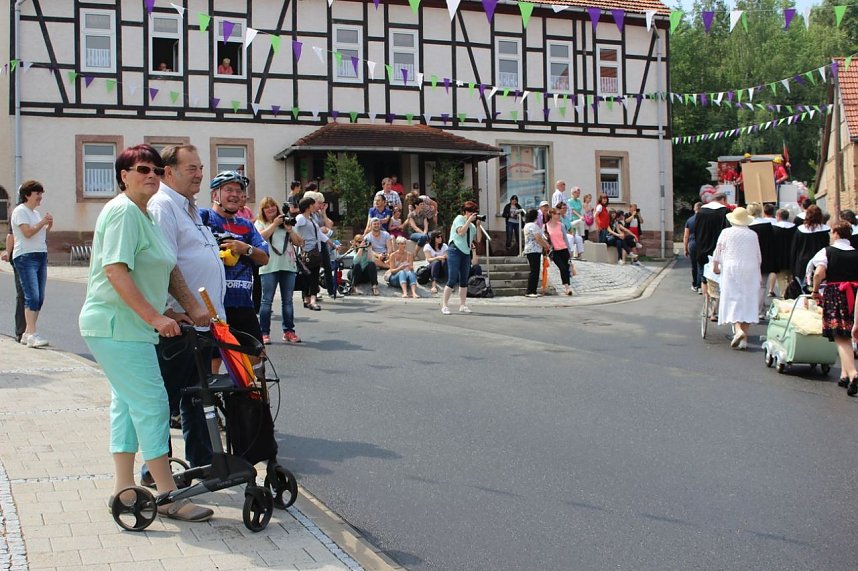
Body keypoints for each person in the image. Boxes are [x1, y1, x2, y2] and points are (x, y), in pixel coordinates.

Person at [79, 144, 213, 522]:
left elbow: (150, 271)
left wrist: (172, 311)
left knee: (126, 404)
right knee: (153, 403)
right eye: (142, 169)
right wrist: (155, 317)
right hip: (116, 325)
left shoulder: (145, 215)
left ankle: (124, 489)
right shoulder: (123, 212)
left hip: (130, 326)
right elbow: (115, 271)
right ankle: (168, 495)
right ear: (123, 175)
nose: (151, 175)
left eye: (156, 169)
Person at [147, 144, 224, 474]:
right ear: (169, 172)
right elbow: (160, 263)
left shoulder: (190, 208)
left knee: (197, 397)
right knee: (166, 398)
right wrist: (170, 309)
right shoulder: (164, 206)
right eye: (191, 168)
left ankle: (202, 463)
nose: (199, 174)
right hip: (179, 325)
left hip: (202, 323)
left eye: (200, 167)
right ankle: (156, 471)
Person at [201, 172, 269, 349]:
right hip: (213, 304)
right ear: (215, 194)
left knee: (256, 358)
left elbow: (264, 258)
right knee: (213, 361)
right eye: (228, 189)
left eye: (239, 191)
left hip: (242, 302)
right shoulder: (203, 218)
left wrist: (245, 248)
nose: (235, 194)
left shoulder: (246, 225)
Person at [808, 222, 858, 393]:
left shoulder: (827, 251)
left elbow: (818, 273)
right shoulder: (856, 253)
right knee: (847, 334)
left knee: (840, 336)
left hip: (836, 294)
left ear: (836, 233)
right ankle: (844, 375)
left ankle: (853, 373)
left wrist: (815, 290)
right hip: (855, 294)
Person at [712, 207, 762, 350]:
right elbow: (758, 256)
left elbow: (718, 250)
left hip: (731, 268)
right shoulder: (752, 235)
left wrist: (716, 266)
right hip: (750, 269)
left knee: (733, 299)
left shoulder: (726, 233)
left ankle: (738, 330)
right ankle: (744, 338)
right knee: (747, 300)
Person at [10, 180, 52, 348]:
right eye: (37, 194)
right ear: (27, 195)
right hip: (25, 256)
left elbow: (40, 233)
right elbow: (27, 233)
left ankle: (28, 333)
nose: (40, 197)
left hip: (40, 254)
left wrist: (48, 225)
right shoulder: (20, 211)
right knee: (31, 296)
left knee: (39, 297)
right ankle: (32, 333)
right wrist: (42, 222)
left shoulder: (35, 213)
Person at [255, 197, 302, 344]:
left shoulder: (285, 222)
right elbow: (259, 238)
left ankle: (289, 331)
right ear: (263, 210)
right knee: (266, 300)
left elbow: (299, 242)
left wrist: (289, 230)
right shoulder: (260, 223)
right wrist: (274, 225)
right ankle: (264, 333)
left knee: (287, 301)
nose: (270, 209)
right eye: (267, 207)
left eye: (273, 206)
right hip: (269, 266)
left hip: (287, 265)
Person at [441, 201, 482, 314]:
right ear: (464, 212)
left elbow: (478, 239)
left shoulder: (472, 225)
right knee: (452, 277)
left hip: (466, 252)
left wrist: (478, 225)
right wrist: (468, 220)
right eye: (469, 211)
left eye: (473, 212)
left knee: (464, 279)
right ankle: (444, 305)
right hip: (455, 250)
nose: (471, 214)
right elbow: (461, 232)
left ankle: (463, 305)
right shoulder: (459, 218)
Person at [293, 196, 327, 310]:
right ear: (308, 206)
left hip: (315, 251)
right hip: (306, 251)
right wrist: (299, 240)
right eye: (313, 204)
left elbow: (320, 234)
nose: (314, 206)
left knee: (314, 275)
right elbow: (293, 229)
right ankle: (307, 298)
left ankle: (311, 299)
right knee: (307, 276)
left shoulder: (311, 219)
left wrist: (332, 243)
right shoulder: (300, 218)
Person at [694, 192, 729, 299]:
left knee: (704, 276)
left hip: (702, 248)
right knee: (718, 278)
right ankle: (715, 308)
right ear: (723, 200)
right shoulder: (725, 212)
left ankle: (707, 304)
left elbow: (696, 231)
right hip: (718, 251)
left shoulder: (701, 211)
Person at [790, 205, 829, 288]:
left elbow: (794, 250)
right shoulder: (825, 231)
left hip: (802, 264)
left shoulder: (800, 230)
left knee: (804, 290)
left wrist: (792, 269)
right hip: (819, 263)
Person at [747, 202, 776, 316]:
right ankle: (759, 310)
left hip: (750, 258)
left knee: (750, 285)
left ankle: (752, 308)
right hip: (765, 258)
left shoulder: (748, 225)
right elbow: (772, 244)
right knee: (762, 286)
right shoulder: (768, 225)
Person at [2, 226, 27, 343]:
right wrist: (8, 251)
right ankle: (21, 331)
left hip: (31, 257)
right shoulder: (18, 211)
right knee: (22, 293)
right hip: (19, 258)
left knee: (30, 295)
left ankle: (27, 330)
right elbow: (10, 235)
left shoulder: (34, 213)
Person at [544, 207, 573, 295]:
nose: (559, 215)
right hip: (554, 251)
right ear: (552, 215)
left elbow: (565, 238)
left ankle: (567, 287)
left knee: (566, 268)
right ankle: (567, 287)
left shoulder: (561, 225)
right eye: (558, 214)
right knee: (562, 268)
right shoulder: (545, 226)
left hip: (563, 249)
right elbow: (545, 239)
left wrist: (569, 250)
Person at [522, 209, 550, 298]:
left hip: (530, 250)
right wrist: (546, 245)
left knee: (534, 270)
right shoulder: (533, 226)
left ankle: (533, 290)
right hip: (534, 250)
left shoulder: (527, 225)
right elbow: (538, 238)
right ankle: (530, 291)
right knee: (534, 271)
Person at [771, 208, 797, 297]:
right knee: (791, 278)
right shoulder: (795, 228)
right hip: (792, 257)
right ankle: (790, 295)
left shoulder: (774, 228)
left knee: (781, 279)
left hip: (779, 257)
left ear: (778, 216)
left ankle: (784, 295)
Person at [683, 202, 702, 293]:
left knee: (694, 265)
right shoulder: (705, 220)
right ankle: (701, 285)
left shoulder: (690, 220)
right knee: (701, 265)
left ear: (694, 209)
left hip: (692, 244)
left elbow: (686, 235)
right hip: (702, 244)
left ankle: (695, 284)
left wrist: (685, 248)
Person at [423, 230, 448, 294]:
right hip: (431, 267)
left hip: (442, 268)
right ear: (433, 238)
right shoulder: (427, 246)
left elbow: (446, 256)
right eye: (438, 237)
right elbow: (429, 259)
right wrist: (437, 257)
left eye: (441, 237)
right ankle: (433, 285)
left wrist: (445, 257)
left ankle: (448, 284)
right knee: (436, 262)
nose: (440, 238)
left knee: (444, 261)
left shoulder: (444, 246)